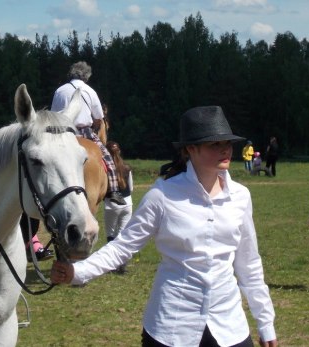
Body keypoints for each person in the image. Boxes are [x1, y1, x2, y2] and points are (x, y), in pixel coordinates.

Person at [51, 106, 278, 347]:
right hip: (172, 327)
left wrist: (266, 324)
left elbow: (249, 264)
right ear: (191, 149)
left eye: (227, 143)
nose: (225, 149)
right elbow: (122, 247)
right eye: (214, 144)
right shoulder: (162, 195)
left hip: (229, 326)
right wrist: (78, 272)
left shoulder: (241, 197)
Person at [50, 61, 126, 206]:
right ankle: (114, 191)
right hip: (84, 131)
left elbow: (53, 115)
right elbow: (98, 117)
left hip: (62, 133)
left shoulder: (60, 91)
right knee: (107, 157)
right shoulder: (90, 91)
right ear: (86, 76)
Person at [104, 141, 133, 274]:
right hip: (127, 203)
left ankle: (112, 264)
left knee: (111, 235)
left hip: (111, 204)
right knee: (122, 234)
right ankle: (122, 264)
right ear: (119, 151)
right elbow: (131, 188)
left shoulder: (106, 169)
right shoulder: (126, 168)